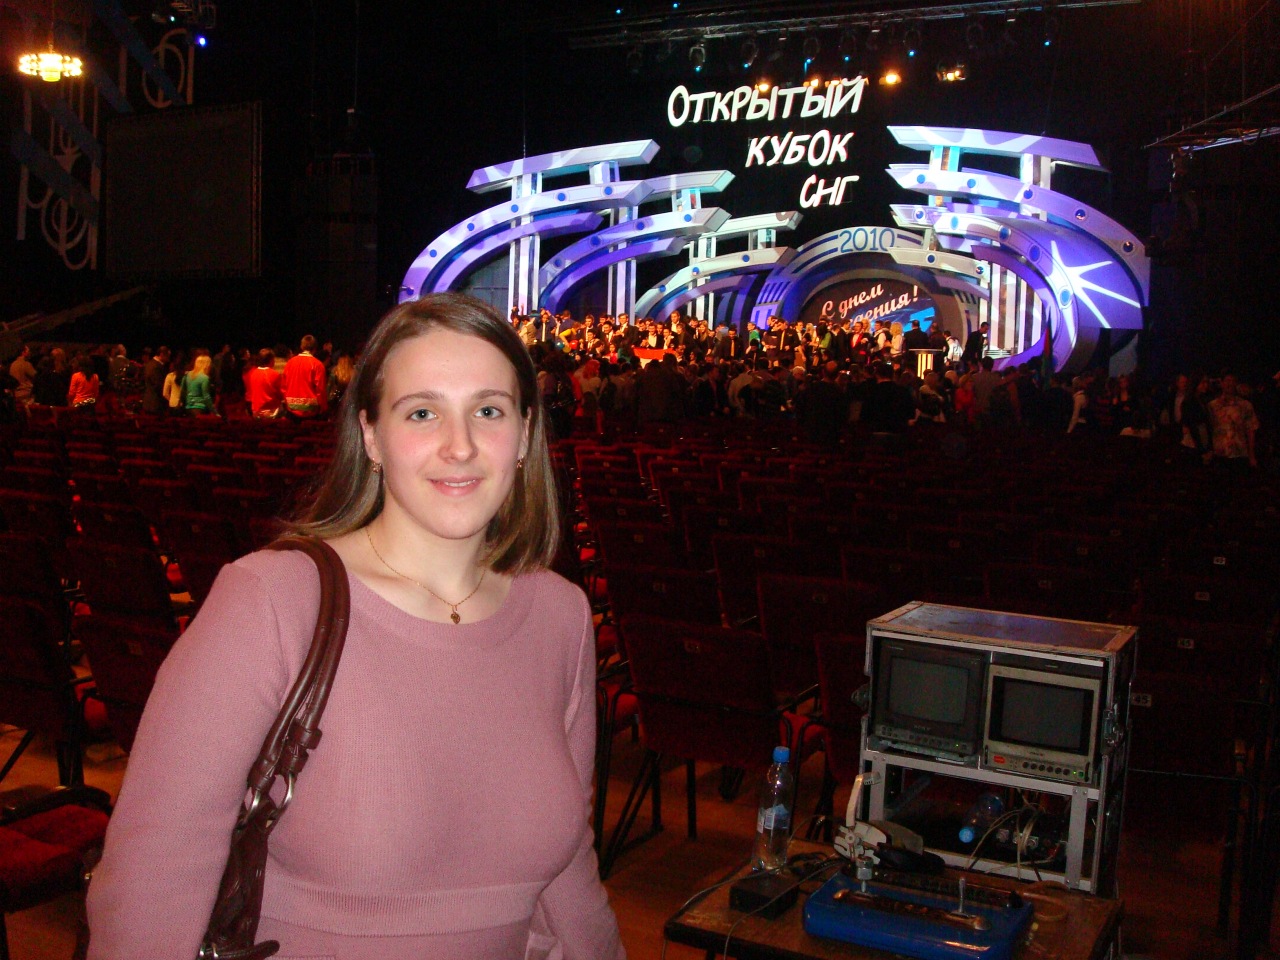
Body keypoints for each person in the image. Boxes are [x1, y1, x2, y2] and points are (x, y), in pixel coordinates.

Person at [86, 293, 625, 959]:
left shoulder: (560, 615)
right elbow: (151, 880)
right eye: (422, 412)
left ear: (524, 434)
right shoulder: (272, 600)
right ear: (371, 435)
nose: (460, 446)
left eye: (488, 411)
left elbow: (570, 870)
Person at [284, 335, 328, 419]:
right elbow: (320, 390)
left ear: (301, 347)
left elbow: (284, 386)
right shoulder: (318, 365)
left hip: (291, 408)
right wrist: (323, 408)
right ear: (315, 348)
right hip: (311, 410)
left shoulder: (290, 363)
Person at [245, 348, 285, 418]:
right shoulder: (274, 374)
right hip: (272, 411)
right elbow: (281, 394)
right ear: (271, 360)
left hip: (256, 411)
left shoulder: (252, 373)